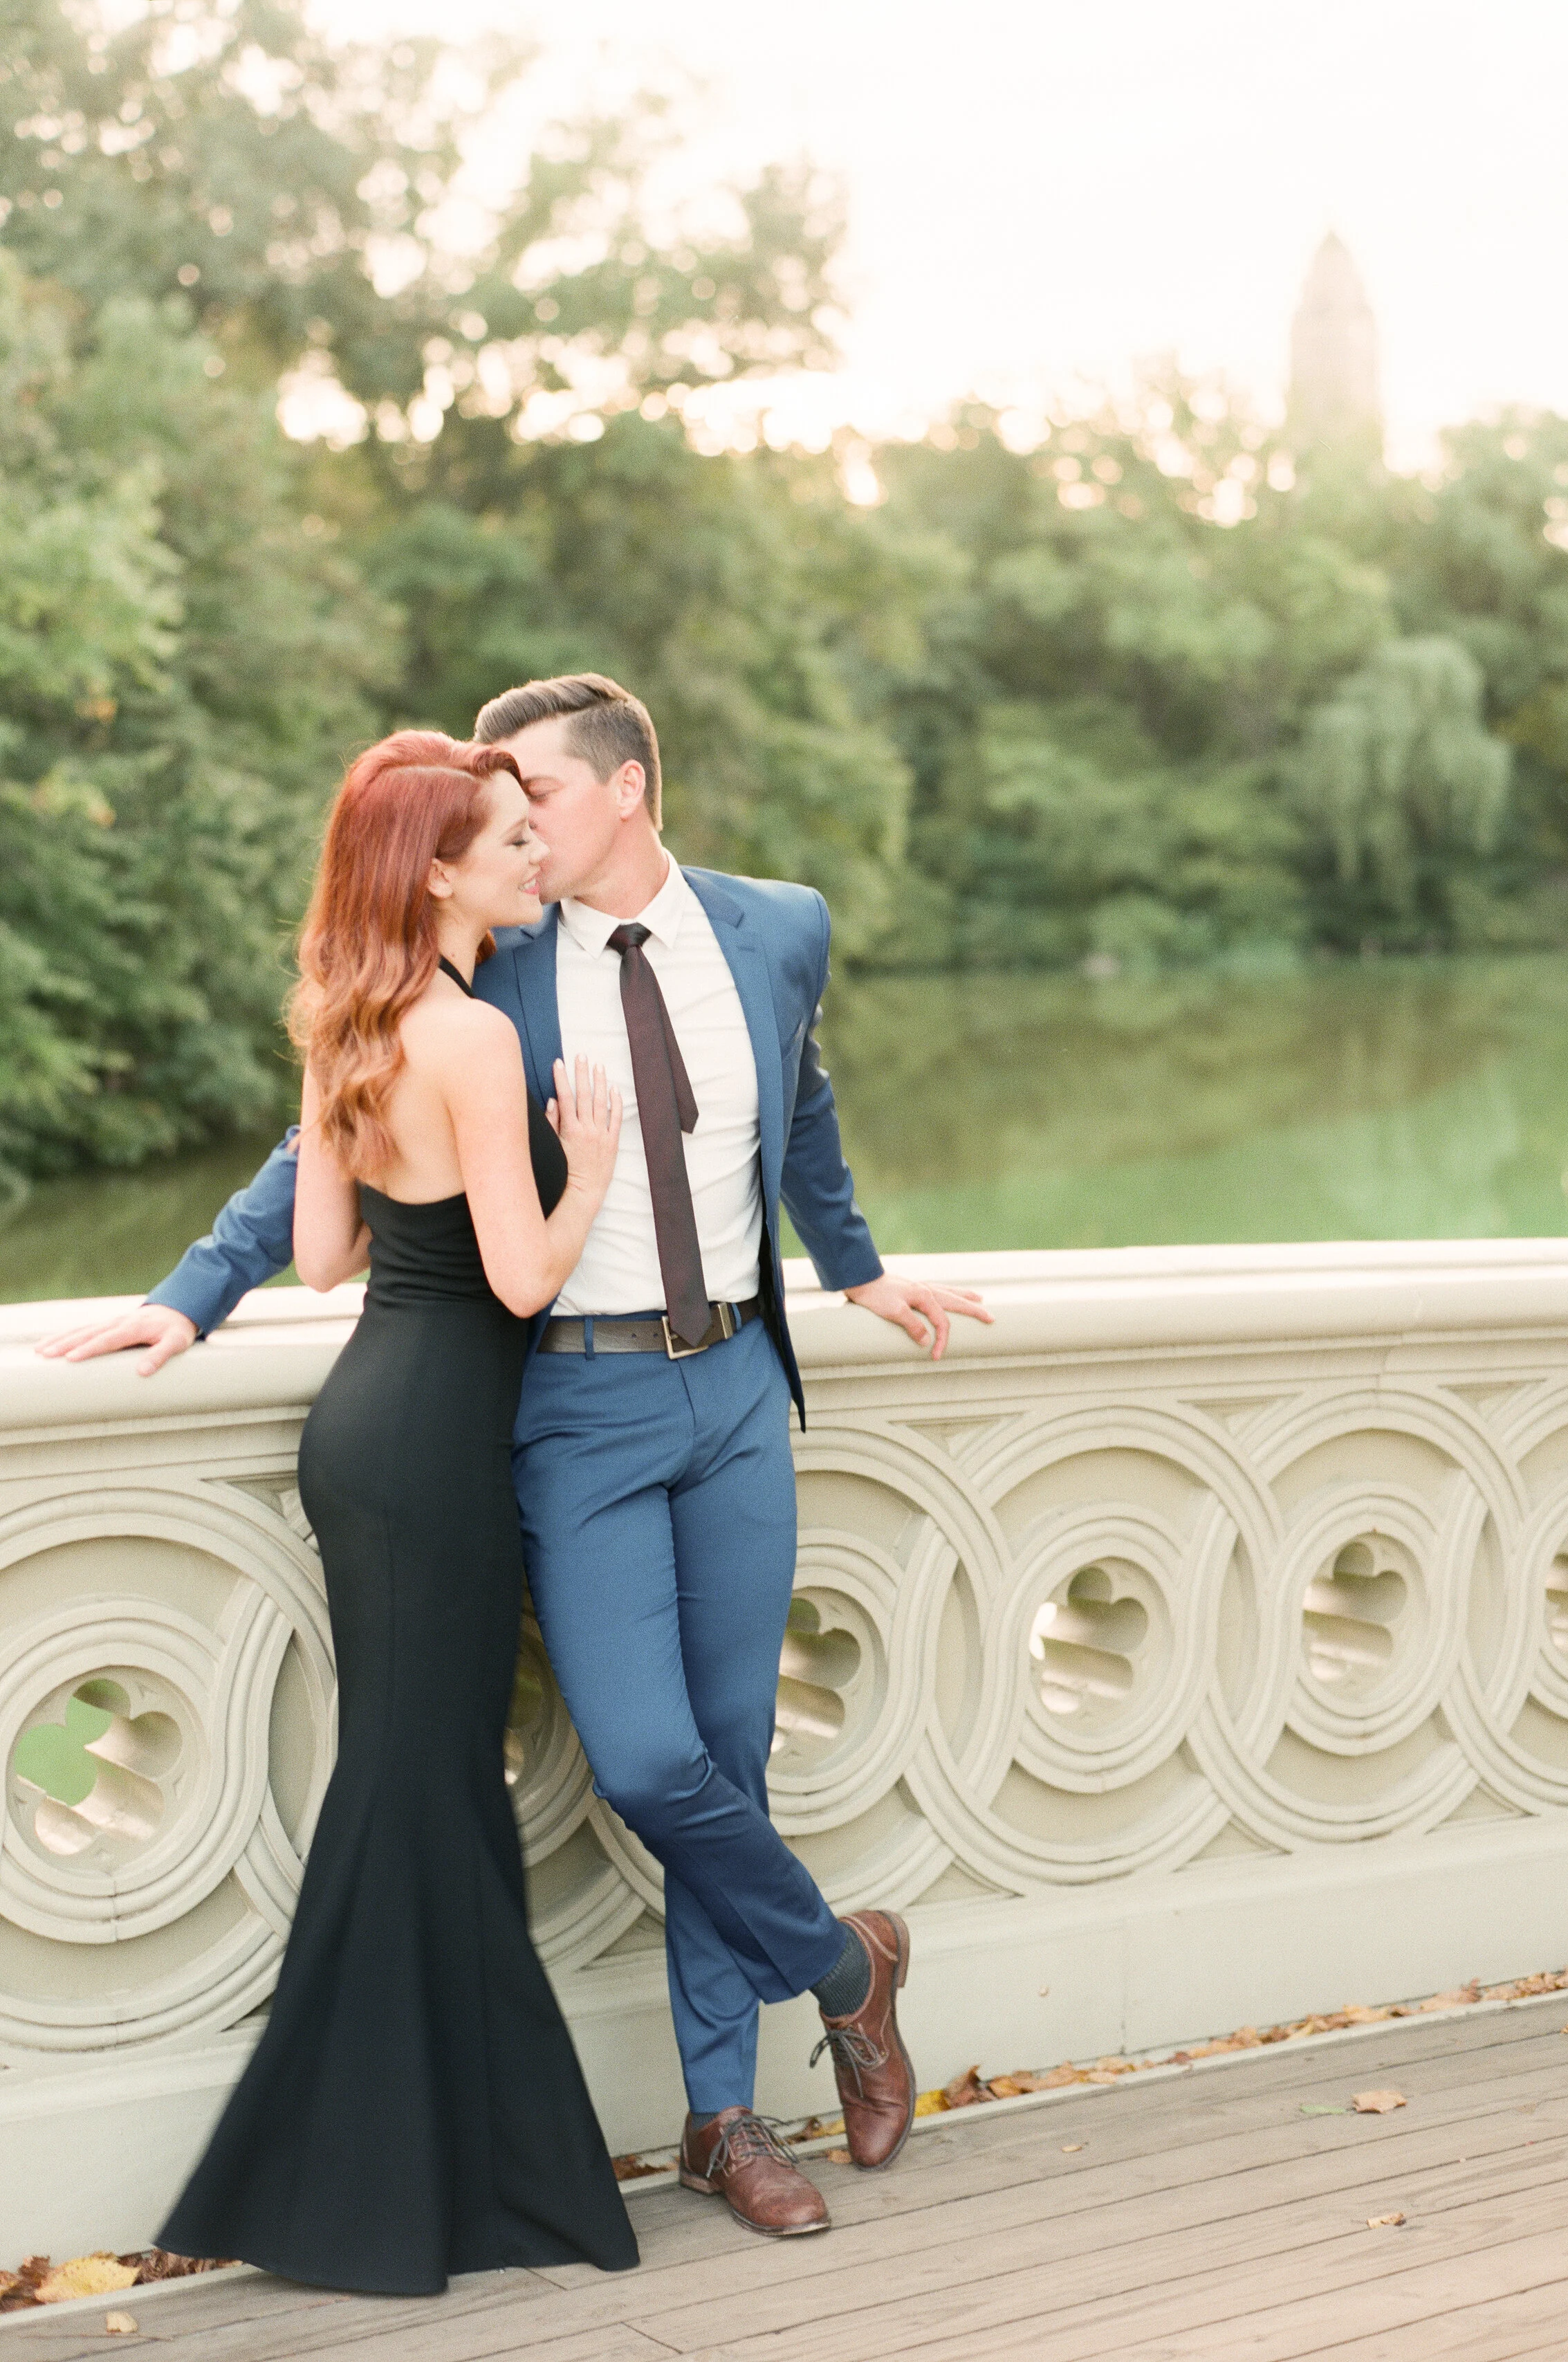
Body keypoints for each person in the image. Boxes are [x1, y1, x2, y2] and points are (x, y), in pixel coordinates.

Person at [42, 673, 992, 2240]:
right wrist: (193, 1291)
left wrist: (858, 1265)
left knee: (730, 1748)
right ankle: (847, 1963)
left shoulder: (777, 926)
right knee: (645, 1763)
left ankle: (722, 2118)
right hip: (576, 1407)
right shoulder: (506, 967)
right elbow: (333, 1119)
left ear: (623, 789)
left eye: (535, 796)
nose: (520, 831)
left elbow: (797, 1106)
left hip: (741, 1390)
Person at [154, 731, 638, 2294]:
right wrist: (592, 1171)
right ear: (434, 869)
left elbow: (317, 1261)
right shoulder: (481, 1039)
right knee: (421, 1795)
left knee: (426, 1792)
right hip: (436, 1450)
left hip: (357, 1429)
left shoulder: (346, 1020)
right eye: (500, 838)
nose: (523, 857)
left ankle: (453, 2177)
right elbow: (521, 1278)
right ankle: (333, 2187)